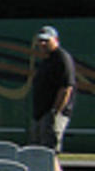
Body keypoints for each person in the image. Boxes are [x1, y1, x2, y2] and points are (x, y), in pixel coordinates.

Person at [29, 25, 77, 156]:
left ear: (55, 39)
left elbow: (66, 88)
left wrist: (55, 112)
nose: (42, 43)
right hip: (40, 113)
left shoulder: (62, 58)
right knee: (38, 152)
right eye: (40, 41)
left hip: (51, 114)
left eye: (46, 40)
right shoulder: (47, 60)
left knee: (48, 153)